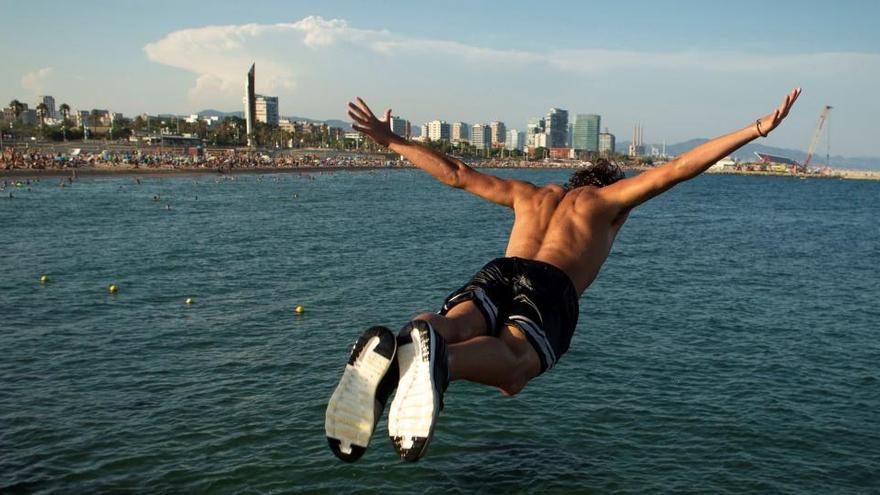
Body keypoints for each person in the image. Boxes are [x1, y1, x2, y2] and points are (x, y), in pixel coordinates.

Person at [326, 89, 802, 463]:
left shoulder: (528, 194)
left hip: (501, 268)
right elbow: (676, 170)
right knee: (513, 370)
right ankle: (442, 364)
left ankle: (418, 338)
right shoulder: (604, 202)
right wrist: (756, 129)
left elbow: (455, 172)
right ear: (606, 188)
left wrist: (391, 140)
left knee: (458, 323)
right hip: (549, 285)